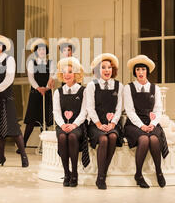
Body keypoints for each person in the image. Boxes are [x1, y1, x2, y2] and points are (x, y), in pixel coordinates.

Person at [0, 35, 28, 167]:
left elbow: (9, 78)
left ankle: (24, 156)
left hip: (5, 98)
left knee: (13, 128)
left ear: (3, 47)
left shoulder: (9, 60)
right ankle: (1, 157)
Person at [123, 55, 168, 188]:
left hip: (151, 121)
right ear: (135, 72)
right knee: (143, 139)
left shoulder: (155, 88)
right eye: (138, 70)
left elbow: (158, 109)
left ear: (147, 71)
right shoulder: (128, 88)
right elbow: (129, 111)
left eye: (143, 69)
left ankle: (159, 172)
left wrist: (152, 124)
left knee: (154, 139)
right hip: (134, 123)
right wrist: (142, 126)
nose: (140, 72)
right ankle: (138, 174)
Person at [86, 53, 124, 189]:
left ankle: (102, 174)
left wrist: (113, 123)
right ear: (97, 70)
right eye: (103, 67)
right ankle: (101, 177)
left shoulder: (119, 86)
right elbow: (90, 108)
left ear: (113, 70)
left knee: (113, 136)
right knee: (103, 140)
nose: (107, 70)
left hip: (113, 123)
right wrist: (99, 124)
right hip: (96, 124)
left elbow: (119, 107)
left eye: (109, 67)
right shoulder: (92, 85)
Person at [53, 57, 89, 187]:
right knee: (62, 137)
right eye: (64, 72)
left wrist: (73, 125)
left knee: (73, 136)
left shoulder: (83, 91)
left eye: (70, 71)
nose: (66, 74)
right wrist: (63, 125)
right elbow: (56, 112)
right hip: (62, 124)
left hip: (77, 125)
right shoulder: (58, 92)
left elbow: (84, 112)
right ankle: (66, 172)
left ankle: (74, 173)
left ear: (76, 74)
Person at [22, 38, 56, 151]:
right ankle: (23, 144)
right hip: (35, 93)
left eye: (43, 49)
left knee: (44, 120)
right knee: (31, 121)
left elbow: (52, 76)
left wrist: (46, 88)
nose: (41, 51)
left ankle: (43, 146)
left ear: (46, 51)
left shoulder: (51, 63)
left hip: (46, 94)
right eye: (39, 49)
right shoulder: (32, 63)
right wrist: (38, 88)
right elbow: (31, 77)